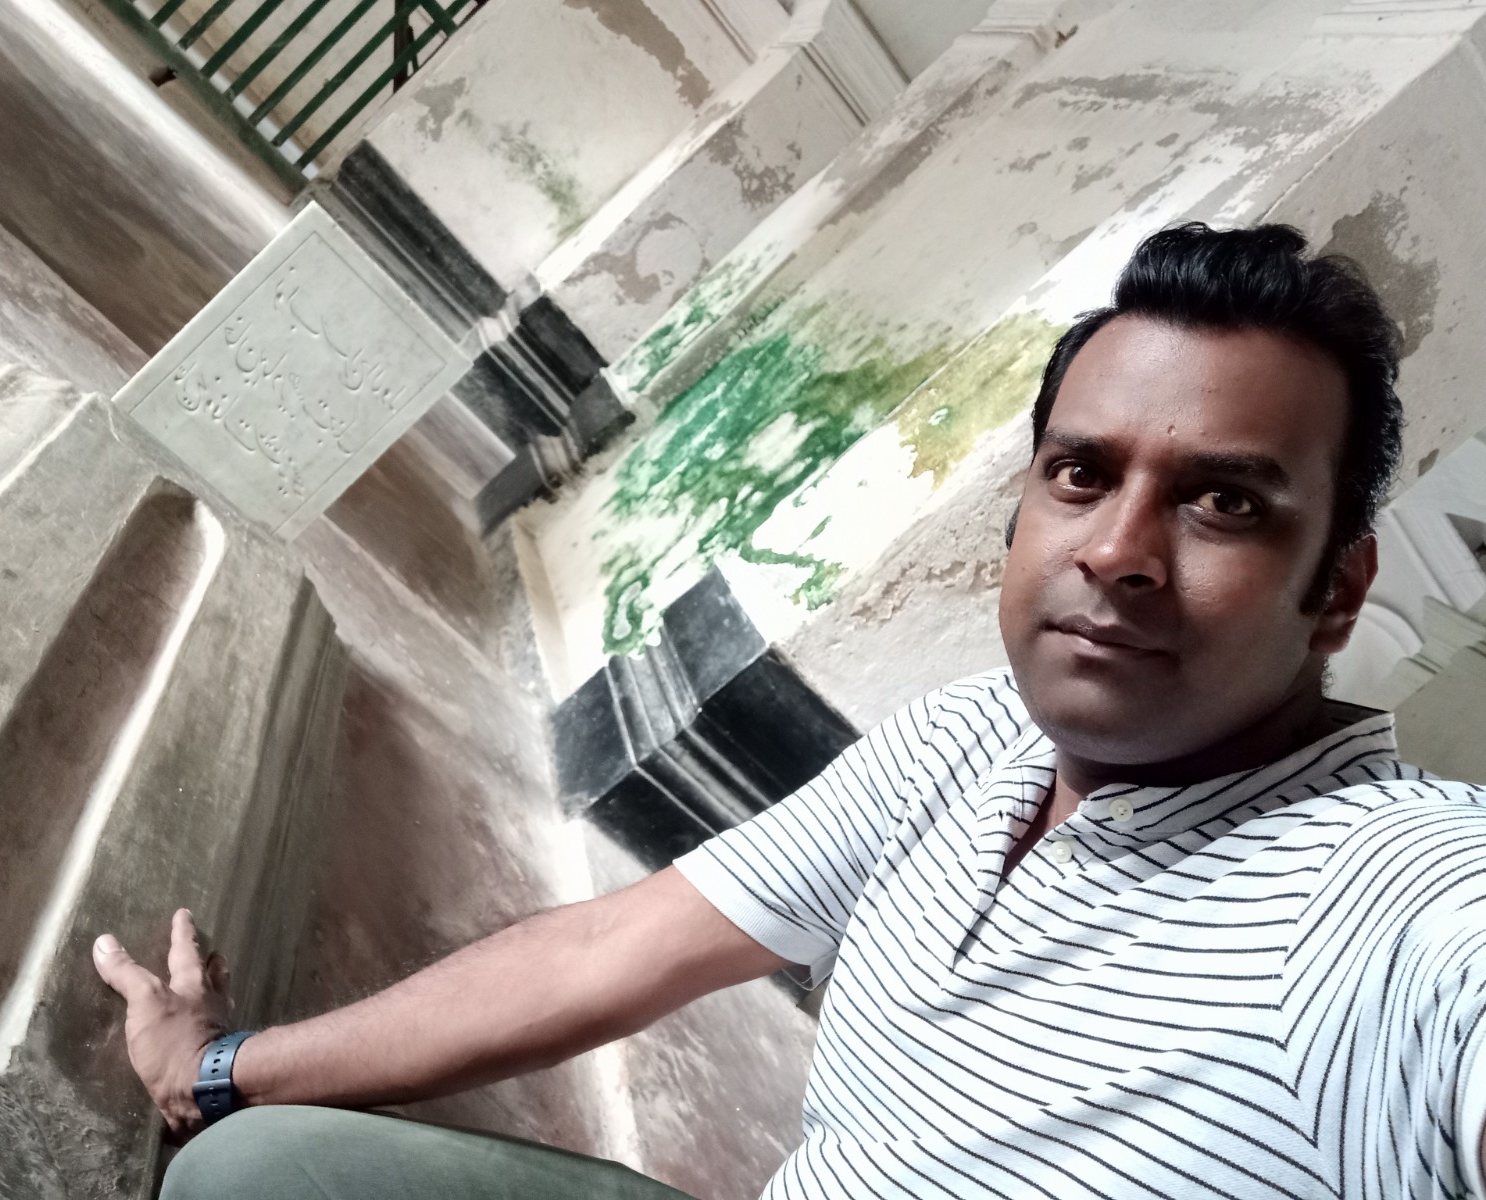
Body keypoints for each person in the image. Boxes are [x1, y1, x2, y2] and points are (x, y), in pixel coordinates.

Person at [95, 223, 1486, 1200]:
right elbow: (612, 951)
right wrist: (215, 1071)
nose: (1120, 551)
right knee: (260, 1171)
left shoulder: (1389, 896)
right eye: (1081, 475)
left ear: (1336, 589)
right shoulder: (971, 742)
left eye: (1225, 502)